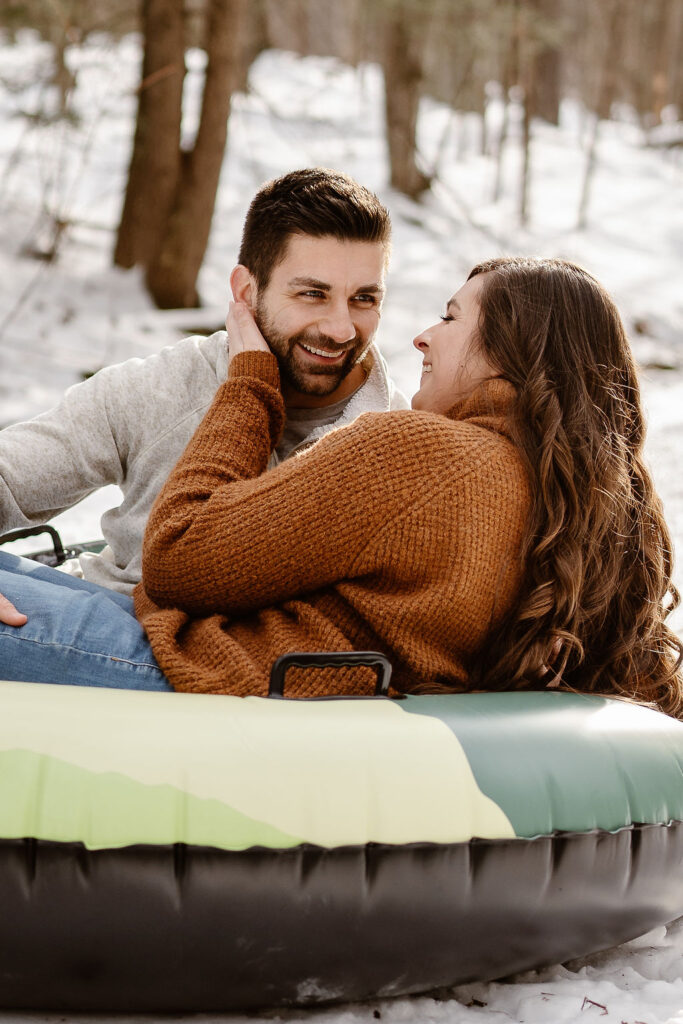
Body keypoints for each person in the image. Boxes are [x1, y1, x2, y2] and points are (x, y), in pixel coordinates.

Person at [1, 257, 682, 718]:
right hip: (228, 667)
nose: (420, 337)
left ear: (510, 350)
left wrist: (247, 382)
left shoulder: (426, 454)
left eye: (449, 318)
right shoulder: (598, 513)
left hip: (190, 676)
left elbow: (180, 559)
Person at [0, 168, 407, 627]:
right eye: (313, 294)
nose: (340, 328)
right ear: (246, 292)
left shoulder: (400, 439)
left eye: (364, 299)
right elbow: (10, 474)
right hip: (97, 629)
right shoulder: (163, 386)